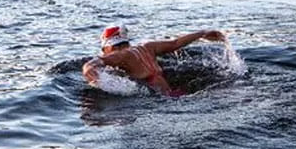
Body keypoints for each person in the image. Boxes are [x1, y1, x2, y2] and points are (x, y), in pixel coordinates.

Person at [82, 25, 227, 96]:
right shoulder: (147, 47)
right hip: (172, 91)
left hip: (159, 97)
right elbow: (175, 43)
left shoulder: (119, 56)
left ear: (107, 47)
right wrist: (202, 33)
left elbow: (90, 66)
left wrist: (91, 74)